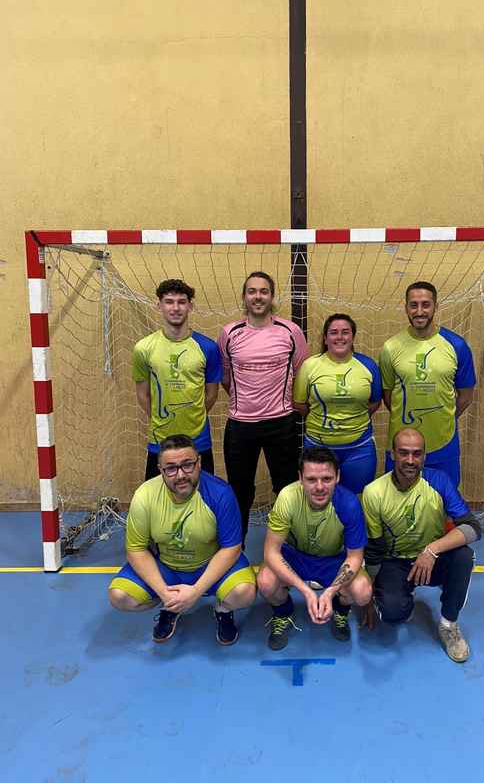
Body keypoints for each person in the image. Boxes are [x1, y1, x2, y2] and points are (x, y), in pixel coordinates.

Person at [108, 434, 256, 645]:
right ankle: (171, 606)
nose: (180, 475)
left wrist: (196, 591)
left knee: (245, 593)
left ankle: (223, 610)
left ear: (199, 463)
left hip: (209, 566)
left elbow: (231, 548)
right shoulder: (145, 496)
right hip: (167, 567)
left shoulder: (220, 493)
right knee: (119, 596)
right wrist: (164, 593)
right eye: (171, 468)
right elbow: (136, 550)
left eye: (187, 465)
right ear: (160, 470)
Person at [361, 428, 481, 662]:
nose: (410, 460)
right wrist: (368, 599)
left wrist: (432, 550)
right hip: (395, 562)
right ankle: (403, 597)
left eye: (417, 454)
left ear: (424, 456)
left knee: (464, 556)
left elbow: (472, 527)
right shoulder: (374, 492)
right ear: (393, 454)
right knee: (393, 614)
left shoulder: (439, 481)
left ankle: (448, 625)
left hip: (432, 560)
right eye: (403, 453)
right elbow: (374, 549)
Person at [218, 271, 309, 541]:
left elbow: (301, 373)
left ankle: (290, 545)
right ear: (244, 297)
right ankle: (235, 547)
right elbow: (226, 377)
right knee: (239, 490)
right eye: (252, 291)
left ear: (272, 296)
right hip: (240, 425)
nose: (258, 297)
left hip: (281, 423)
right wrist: (246, 403)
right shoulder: (229, 333)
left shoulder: (290, 331)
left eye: (263, 291)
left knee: (287, 488)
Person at [257, 446, 372, 649]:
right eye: (311, 479)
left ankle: (340, 610)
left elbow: (355, 557)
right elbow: (271, 552)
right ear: (300, 478)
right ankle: (283, 612)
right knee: (265, 582)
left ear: (337, 477)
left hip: (333, 559)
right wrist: (306, 591)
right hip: (295, 556)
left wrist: (329, 592)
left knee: (363, 592)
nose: (319, 487)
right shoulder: (288, 497)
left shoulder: (349, 504)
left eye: (326, 479)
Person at [379, 281, 476, 487]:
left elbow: (466, 396)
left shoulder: (457, 345)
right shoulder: (390, 347)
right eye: (413, 305)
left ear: (436, 306)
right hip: (402, 445)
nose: (419, 311)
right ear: (406, 307)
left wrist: (442, 417)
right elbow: (388, 396)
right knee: (398, 501)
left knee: (444, 501)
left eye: (426, 304)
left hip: (443, 443)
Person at [133, 279, 222, 480]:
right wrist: (163, 419)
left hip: (198, 440)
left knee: (201, 494)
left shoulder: (208, 347)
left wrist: (191, 416)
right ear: (159, 305)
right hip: (159, 439)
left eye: (181, 302)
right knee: (156, 495)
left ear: (190, 306)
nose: (175, 308)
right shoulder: (143, 348)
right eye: (169, 302)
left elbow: (211, 394)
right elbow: (142, 395)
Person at [293, 313, 382, 495]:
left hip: (359, 449)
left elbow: (375, 402)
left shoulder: (369, 366)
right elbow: (299, 403)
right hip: (318, 447)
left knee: (358, 500)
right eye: (334, 332)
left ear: (353, 337)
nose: (340, 337)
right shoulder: (310, 366)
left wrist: (351, 420)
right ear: (325, 338)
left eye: (345, 332)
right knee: (319, 500)